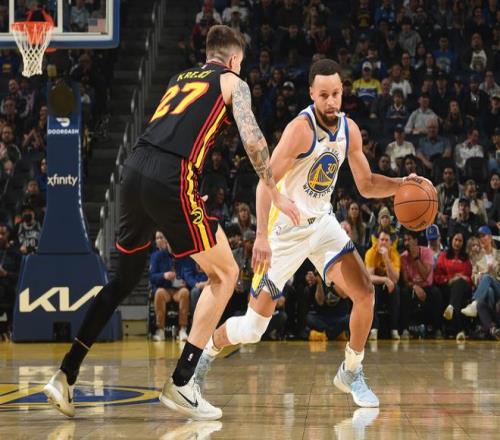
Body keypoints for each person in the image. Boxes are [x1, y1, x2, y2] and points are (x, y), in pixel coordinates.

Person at [43, 25, 299, 421]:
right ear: (234, 59)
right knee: (226, 274)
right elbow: (252, 139)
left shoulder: (179, 78)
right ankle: (182, 382)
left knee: (123, 280)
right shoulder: (233, 82)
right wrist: (273, 188)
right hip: (172, 176)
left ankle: (65, 373)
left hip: (134, 169)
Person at [194, 59, 418, 409]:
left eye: (336, 94)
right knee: (252, 329)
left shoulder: (349, 130)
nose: (331, 101)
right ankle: (206, 352)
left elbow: (367, 184)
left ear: (343, 92)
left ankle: (351, 371)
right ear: (312, 93)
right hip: (284, 232)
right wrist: (261, 237)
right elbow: (264, 182)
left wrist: (402, 184)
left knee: (364, 293)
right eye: (324, 95)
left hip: (322, 223)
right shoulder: (300, 130)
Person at [400, 230, 443, 339]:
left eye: (409, 240)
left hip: (427, 286)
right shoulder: (403, 256)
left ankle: (438, 329)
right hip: (413, 287)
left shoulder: (427, 252)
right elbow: (405, 280)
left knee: (436, 293)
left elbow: (425, 275)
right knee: (404, 292)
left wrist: (416, 258)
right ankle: (405, 329)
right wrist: (414, 286)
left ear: (416, 241)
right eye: (405, 240)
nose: (406, 243)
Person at [149, 231, 190, 342]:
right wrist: (164, 275)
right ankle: (160, 330)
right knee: (159, 293)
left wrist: (184, 281)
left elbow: (187, 272)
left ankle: (182, 329)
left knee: (185, 292)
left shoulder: (182, 255)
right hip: (164, 288)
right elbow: (152, 276)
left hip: (178, 289)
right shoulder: (157, 256)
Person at [365, 230, 401, 341]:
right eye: (382, 240)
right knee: (373, 289)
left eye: (386, 240)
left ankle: (394, 329)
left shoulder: (394, 254)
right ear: (377, 241)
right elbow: (369, 278)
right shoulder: (371, 253)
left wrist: (386, 258)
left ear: (391, 243)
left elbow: (395, 279)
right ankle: (374, 329)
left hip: (389, 285)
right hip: (376, 284)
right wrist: (385, 279)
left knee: (396, 289)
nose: (384, 242)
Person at [461, 226, 500, 318]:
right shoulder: (476, 257)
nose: (481, 239)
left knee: (487, 277)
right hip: (486, 287)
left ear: (490, 237)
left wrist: (493, 274)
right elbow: (474, 276)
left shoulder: (498, 254)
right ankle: (492, 322)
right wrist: (481, 275)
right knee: (489, 291)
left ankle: (474, 303)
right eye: (479, 237)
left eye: (483, 236)